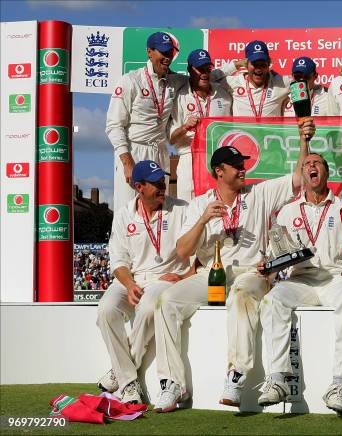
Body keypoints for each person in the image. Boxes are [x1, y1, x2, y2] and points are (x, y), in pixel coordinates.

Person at [151, 119, 313, 413]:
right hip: (211, 275)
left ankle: (236, 376)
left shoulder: (258, 193)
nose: (243, 169)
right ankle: (172, 383)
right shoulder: (199, 205)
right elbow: (183, 250)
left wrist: (304, 142)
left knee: (241, 292)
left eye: (243, 164)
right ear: (219, 171)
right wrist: (202, 222)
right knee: (167, 300)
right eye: (236, 165)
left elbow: (299, 180)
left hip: (252, 274)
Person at [256, 152, 342, 413]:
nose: (312, 167)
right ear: (302, 175)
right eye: (306, 164)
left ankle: (339, 384)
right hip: (300, 280)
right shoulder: (288, 211)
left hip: (335, 279)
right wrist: (268, 266)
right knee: (272, 299)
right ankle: (277, 378)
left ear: (327, 172)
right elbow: (278, 255)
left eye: (317, 163)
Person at [96, 160, 191, 404]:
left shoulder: (181, 209)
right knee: (106, 310)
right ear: (139, 186)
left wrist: (183, 275)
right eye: (156, 182)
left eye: (163, 180)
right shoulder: (124, 214)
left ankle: (122, 375)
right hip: (133, 278)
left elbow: (198, 250)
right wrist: (129, 285)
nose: (162, 186)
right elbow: (118, 261)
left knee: (150, 306)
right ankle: (128, 381)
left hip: (164, 278)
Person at [106, 32, 188, 211]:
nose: (167, 58)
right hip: (135, 150)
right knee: (129, 210)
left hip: (160, 151)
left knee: (160, 210)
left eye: (170, 53)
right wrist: (128, 163)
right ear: (149, 52)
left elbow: (203, 78)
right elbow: (114, 125)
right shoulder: (131, 80)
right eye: (163, 52)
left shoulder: (176, 81)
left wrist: (233, 66)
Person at [169, 49, 233, 201]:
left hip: (218, 157)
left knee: (219, 206)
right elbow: (171, 139)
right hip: (189, 157)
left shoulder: (223, 93)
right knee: (188, 208)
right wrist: (185, 127)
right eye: (200, 69)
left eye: (207, 69)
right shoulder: (180, 96)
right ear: (190, 70)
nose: (204, 73)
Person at [214, 40, 292, 117]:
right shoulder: (234, 82)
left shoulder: (281, 82)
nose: (258, 69)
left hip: (271, 130)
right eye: (255, 64)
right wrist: (236, 64)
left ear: (268, 64)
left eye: (262, 64)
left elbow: (302, 81)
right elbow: (210, 78)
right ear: (246, 64)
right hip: (241, 130)